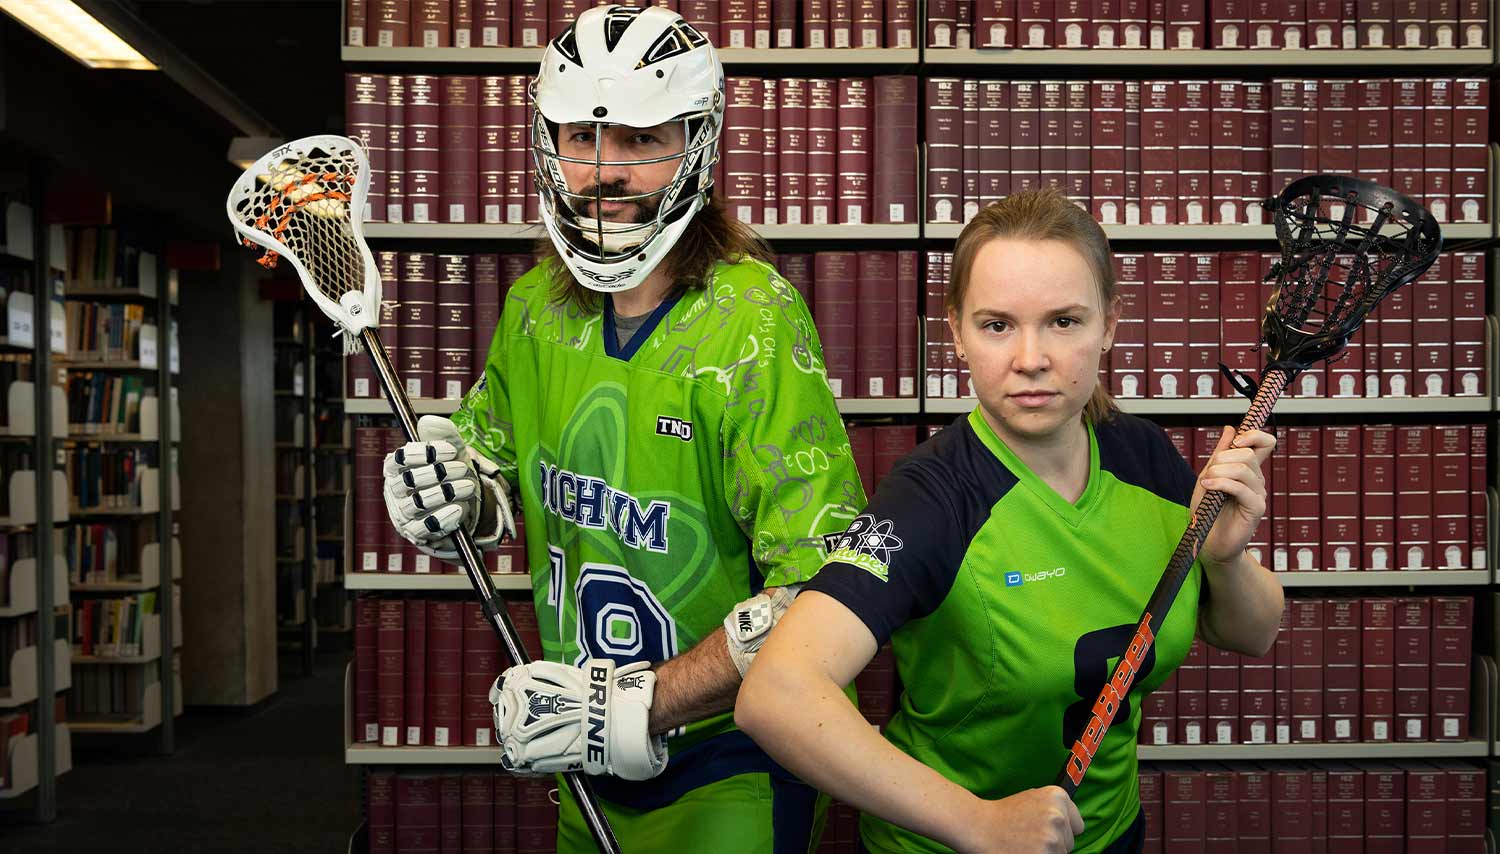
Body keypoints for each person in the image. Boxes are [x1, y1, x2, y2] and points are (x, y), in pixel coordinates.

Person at [379, 5, 865, 851]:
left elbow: (821, 590)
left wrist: (645, 703)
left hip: (736, 756)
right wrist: (460, 496)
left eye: (641, 139)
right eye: (579, 137)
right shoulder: (535, 309)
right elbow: (495, 470)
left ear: (696, 143)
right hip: (586, 755)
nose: (604, 169)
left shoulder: (753, 319)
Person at [736, 187, 1286, 854]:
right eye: (998, 325)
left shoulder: (1142, 455)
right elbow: (775, 693)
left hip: (1109, 834)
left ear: (1109, 325)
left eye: (1064, 321)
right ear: (957, 334)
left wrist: (1225, 560)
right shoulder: (932, 498)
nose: (1031, 358)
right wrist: (978, 822)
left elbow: (1251, 634)